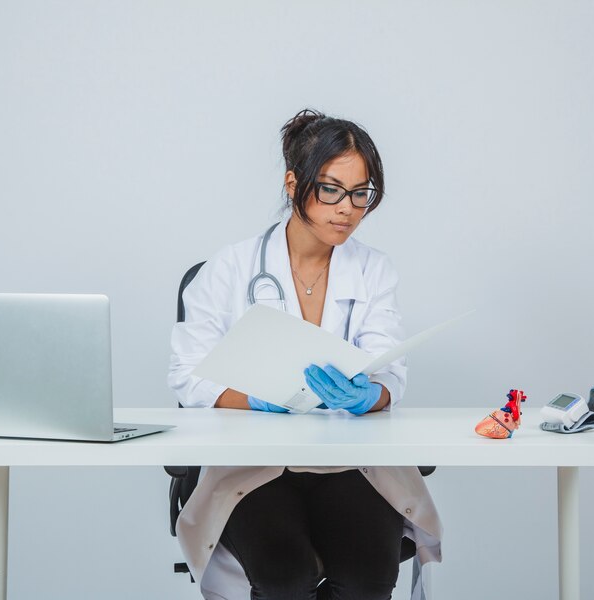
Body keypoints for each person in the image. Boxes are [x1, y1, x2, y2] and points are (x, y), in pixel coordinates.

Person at [169, 108, 442, 600]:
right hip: (255, 466)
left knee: (368, 578)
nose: (347, 209)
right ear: (294, 184)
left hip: (349, 462)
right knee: (285, 577)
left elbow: (391, 372)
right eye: (331, 189)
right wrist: (254, 399)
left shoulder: (374, 271)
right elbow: (188, 378)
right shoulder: (228, 269)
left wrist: (371, 394)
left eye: (361, 194)